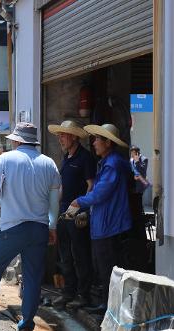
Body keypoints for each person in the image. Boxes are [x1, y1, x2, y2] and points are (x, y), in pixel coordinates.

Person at [0, 122, 61, 331]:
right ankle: (26, 325)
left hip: (11, 229)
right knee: (33, 277)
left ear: (17, 140)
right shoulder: (49, 163)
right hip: (39, 229)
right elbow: (55, 200)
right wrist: (52, 226)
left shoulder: (6, 158)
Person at [69, 123, 132, 314]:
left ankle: (109, 308)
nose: (94, 142)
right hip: (105, 223)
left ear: (108, 143)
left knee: (107, 269)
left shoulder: (112, 164)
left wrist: (78, 201)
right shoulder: (108, 162)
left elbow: (100, 194)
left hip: (109, 225)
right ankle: (106, 305)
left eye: (97, 139)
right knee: (103, 268)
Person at [48, 120, 95, 309]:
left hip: (77, 215)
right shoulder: (67, 157)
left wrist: (83, 211)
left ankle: (83, 295)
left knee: (80, 255)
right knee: (65, 256)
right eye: (59, 135)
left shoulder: (86, 158)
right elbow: (62, 187)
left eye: (63, 135)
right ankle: (68, 292)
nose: (60, 138)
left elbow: (91, 186)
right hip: (63, 214)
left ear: (74, 136)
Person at [130, 145, 149, 211]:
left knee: (139, 203)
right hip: (132, 185)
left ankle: (140, 216)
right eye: (131, 152)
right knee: (133, 204)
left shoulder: (144, 159)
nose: (131, 154)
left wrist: (137, 162)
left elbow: (143, 172)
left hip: (139, 186)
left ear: (137, 153)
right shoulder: (131, 160)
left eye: (132, 152)